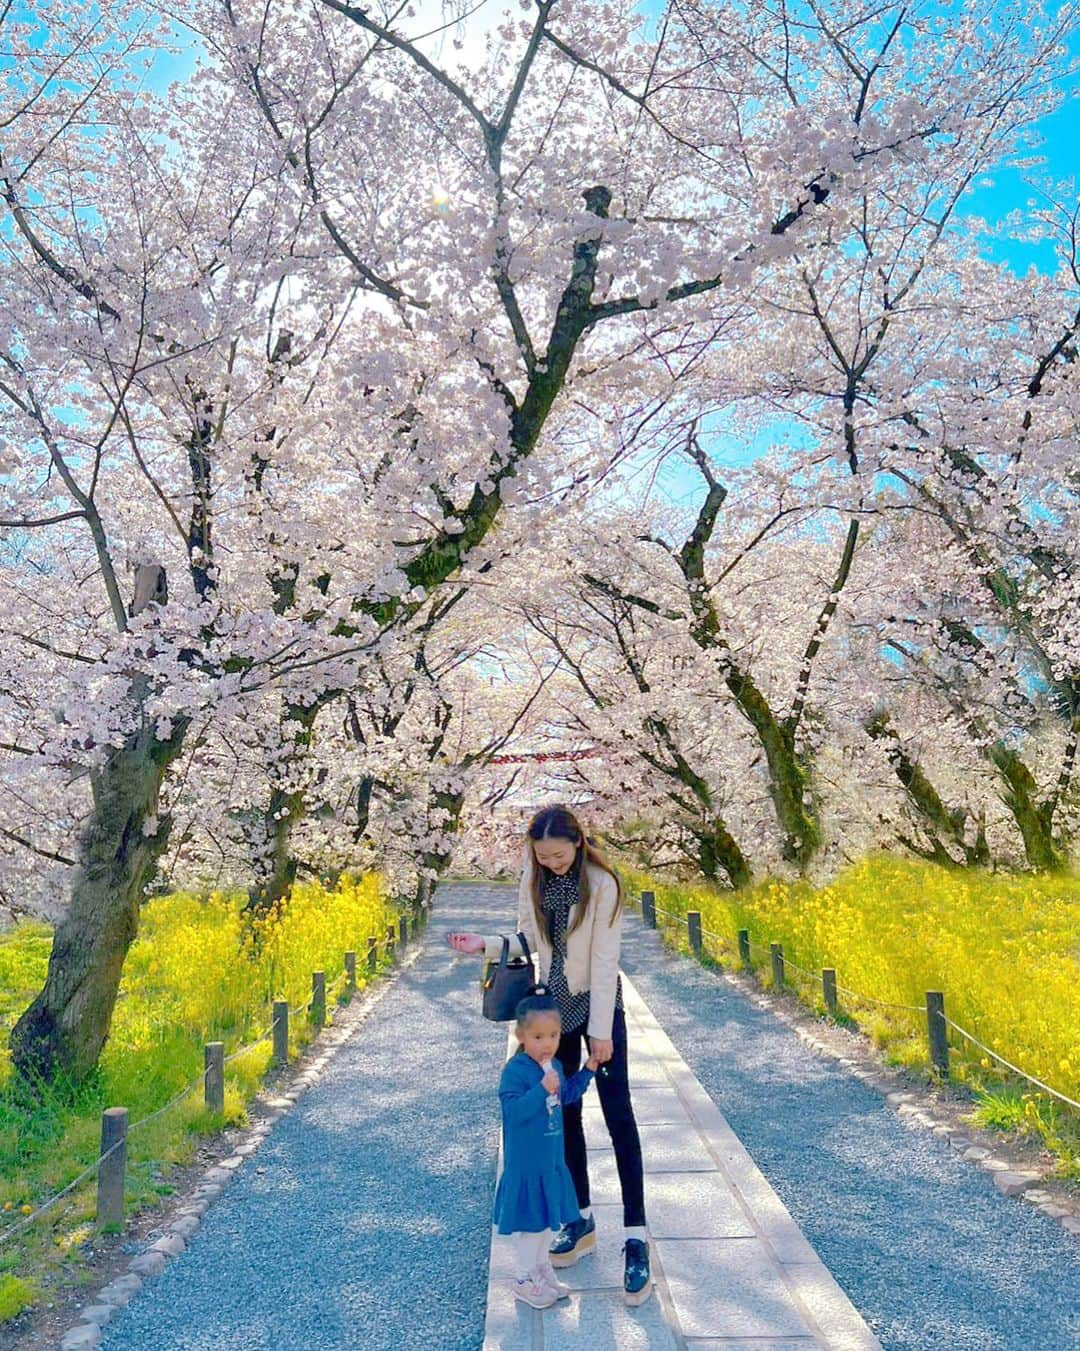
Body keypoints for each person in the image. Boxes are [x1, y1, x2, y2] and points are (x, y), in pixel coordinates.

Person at [448, 804, 652, 1305]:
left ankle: (636, 1236)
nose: (552, 864)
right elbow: (528, 938)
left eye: (559, 856)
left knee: (619, 1116)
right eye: (543, 857)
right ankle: (579, 1219)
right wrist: (485, 945)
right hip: (553, 1017)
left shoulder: (602, 885)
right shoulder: (535, 878)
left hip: (598, 1007)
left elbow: (605, 964)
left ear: (578, 844)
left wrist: (601, 1035)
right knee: (566, 1116)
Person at [493, 988, 599, 1309]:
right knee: (532, 1226)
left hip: (550, 1162)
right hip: (526, 1166)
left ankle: (541, 1269)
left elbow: (565, 1097)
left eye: (553, 1035)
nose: (547, 1043)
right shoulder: (516, 1072)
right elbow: (513, 1113)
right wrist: (541, 1090)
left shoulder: (554, 1066)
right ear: (521, 1036)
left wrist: (589, 1070)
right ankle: (523, 1279)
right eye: (538, 1037)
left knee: (544, 1228)